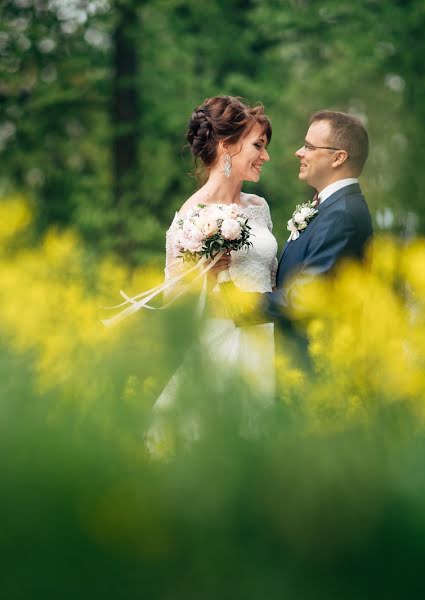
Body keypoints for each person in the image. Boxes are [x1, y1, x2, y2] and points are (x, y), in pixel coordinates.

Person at [147, 95, 278, 455]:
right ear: (226, 146)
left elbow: (271, 276)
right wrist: (205, 274)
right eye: (258, 146)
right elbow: (174, 303)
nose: (265, 156)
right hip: (221, 346)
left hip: (265, 340)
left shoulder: (259, 207)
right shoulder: (190, 217)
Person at [262, 110, 373, 365]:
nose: (299, 152)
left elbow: (306, 297)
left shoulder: (343, 214)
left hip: (316, 365)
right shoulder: (331, 207)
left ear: (338, 158)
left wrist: (237, 302)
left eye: (310, 147)